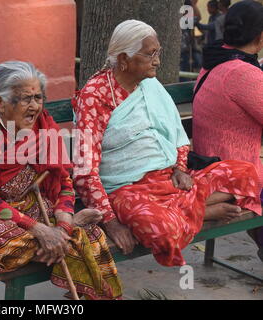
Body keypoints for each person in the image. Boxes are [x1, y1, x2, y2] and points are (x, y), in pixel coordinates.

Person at [72, 19, 261, 267]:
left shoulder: (151, 86)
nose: (157, 61)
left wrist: (180, 168)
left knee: (247, 173)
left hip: (168, 180)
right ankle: (201, 211)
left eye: (158, 53)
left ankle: (182, 209)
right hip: (128, 189)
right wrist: (110, 221)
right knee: (160, 231)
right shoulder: (94, 96)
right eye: (150, 54)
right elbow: (85, 170)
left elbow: (177, 135)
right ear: (124, 59)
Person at [0, 61, 123, 299]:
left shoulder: (43, 127)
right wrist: (40, 229)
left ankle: (68, 232)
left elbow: (63, 182)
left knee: (93, 235)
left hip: (25, 208)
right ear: (0, 102)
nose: (33, 107)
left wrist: (62, 221)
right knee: (10, 242)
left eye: (38, 98)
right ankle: (70, 232)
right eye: (24, 99)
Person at [192, 0, 263, 261]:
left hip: (212, 166)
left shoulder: (217, 58)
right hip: (231, 176)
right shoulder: (243, 73)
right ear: (260, 36)